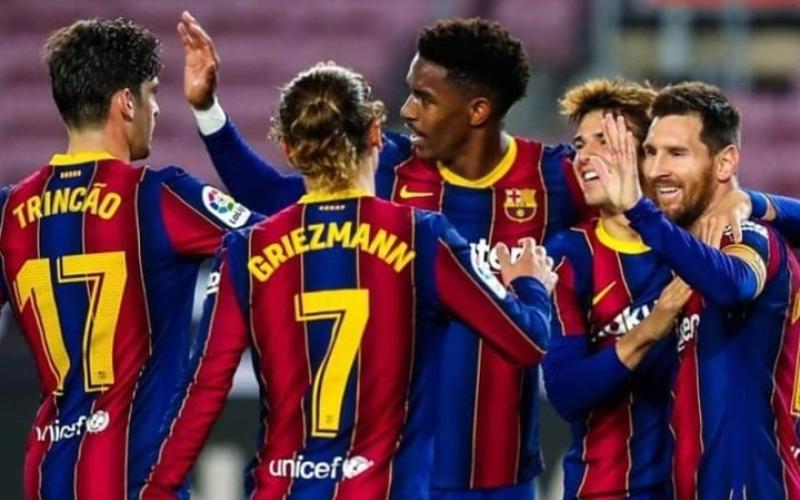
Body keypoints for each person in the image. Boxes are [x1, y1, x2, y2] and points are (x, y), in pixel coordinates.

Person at [177, 12, 587, 498]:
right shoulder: (385, 167)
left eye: (425, 98)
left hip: (501, 467)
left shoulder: (554, 176)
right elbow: (274, 198)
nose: (407, 111)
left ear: (476, 111)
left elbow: (626, 238)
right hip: (404, 468)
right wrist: (209, 114)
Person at [0, 18, 260, 500]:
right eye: (151, 93)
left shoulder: (9, 211)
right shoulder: (159, 197)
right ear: (125, 102)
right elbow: (290, 245)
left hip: (48, 473)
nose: (156, 109)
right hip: (136, 474)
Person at [598, 81, 800, 498]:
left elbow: (734, 284)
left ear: (724, 162)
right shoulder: (681, 262)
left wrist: (640, 211)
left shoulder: (748, 235)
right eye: (650, 152)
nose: (656, 170)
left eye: (677, 153)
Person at [543, 79, 692, 499]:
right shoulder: (569, 255)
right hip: (607, 490)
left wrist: (746, 201)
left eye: (603, 141)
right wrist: (650, 328)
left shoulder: (698, 244)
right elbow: (566, 391)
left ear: (647, 154)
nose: (582, 156)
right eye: (578, 145)